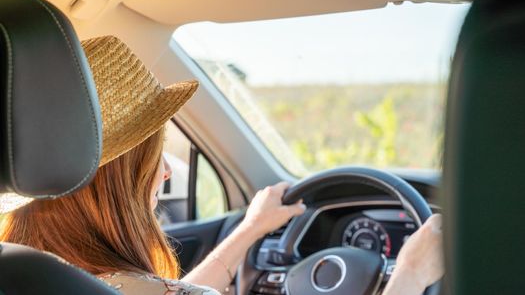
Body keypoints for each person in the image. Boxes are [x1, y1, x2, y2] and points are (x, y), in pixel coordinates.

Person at [0, 36, 443, 295]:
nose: (166, 172)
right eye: (156, 156)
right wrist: (409, 275)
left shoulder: (28, 272)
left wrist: (248, 231)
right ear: (117, 178)